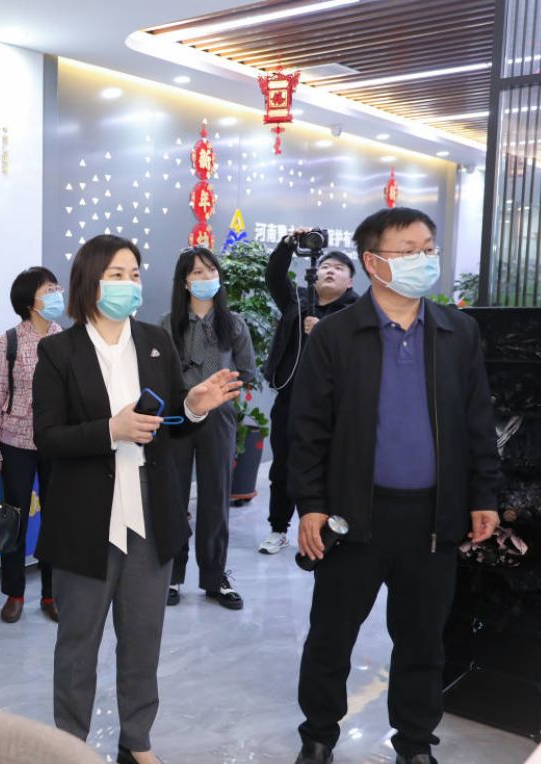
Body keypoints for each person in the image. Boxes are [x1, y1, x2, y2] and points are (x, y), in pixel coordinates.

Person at [289, 207, 501, 764]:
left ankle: (414, 743)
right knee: (331, 635)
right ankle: (318, 735)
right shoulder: (337, 335)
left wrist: (484, 495)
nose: (423, 259)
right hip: (353, 516)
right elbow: (307, 429)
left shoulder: (458, 332)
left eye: (428, 248)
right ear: (373, 261)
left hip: (433, 518)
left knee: (423, 640)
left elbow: (478, 422)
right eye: (408, 250)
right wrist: (311, 505)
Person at [33, 234, 241, 764]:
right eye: (117, 274)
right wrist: (111, 429)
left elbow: (169, 424)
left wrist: (192, 408)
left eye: (134, 273)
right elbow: (48, 438)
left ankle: (136, 741)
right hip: (86, 518)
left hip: (151, 511)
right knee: (78, 642)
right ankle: (69, 745)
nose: (129, 283)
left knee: (144, 638)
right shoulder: (58, 351)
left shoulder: (154, 341)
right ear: (90, 282)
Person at [159, 246, 256, 609]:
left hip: (219, 414)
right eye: (197, 272)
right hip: (179, 413)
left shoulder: (234, 324)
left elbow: (247, 370)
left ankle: (215, 576)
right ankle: (172, 574)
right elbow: (159, 371)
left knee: (216, 494)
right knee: (174, 494)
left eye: (211, 270)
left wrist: (220, 390)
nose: (205, 277)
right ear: (185, 282)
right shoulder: (168, 324)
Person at [258, 234, 358, 555]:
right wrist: (287, 245)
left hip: (333, 406)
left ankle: (324, 530)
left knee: (329, 468)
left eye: (339, 268)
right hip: (290, 399)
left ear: (350, 281)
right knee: (282, 467)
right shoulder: (298, 301)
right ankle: (278, 528)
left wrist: (323, 331)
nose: (330, 271)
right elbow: (274, 277)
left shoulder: (356, 312)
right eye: (326, 266)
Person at [0, 266, 63, 624]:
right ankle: (14, 593)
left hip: (57, 442)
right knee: (14, 520)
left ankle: (51, 593)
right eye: (49, 289)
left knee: (57, 520)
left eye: (56, 287)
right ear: (30, 301)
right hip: (15, 443)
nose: (57, 294)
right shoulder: (7, 343)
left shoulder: (66, 340)